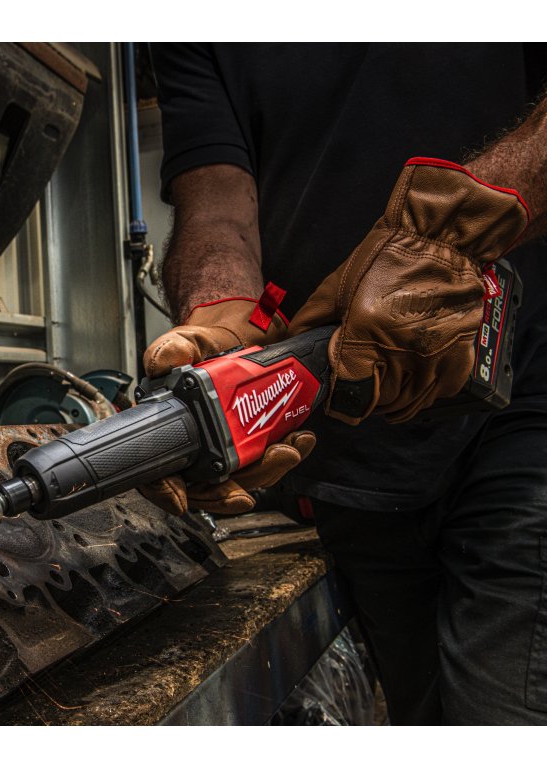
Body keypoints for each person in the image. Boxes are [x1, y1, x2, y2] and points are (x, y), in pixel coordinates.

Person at [144, 43, 547, 725]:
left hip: (522, 396)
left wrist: (454, 231)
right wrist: (219, 313)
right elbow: (214, 202)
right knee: (424, 715)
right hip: (352, 438)